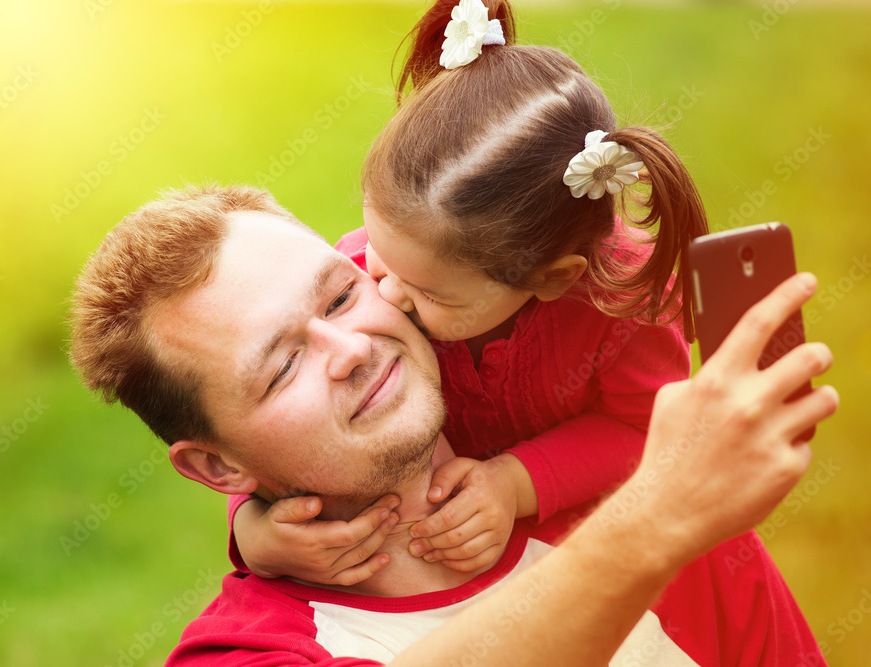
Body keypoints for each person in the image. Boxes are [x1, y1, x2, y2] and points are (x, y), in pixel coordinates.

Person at [68, 184, 838, 665]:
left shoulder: (645, 506)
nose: (352, 349)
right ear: (216, 468)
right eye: (281, 368)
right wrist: (655, 519)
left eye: (339, 298)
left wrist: (659, 510)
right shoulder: (248, 652)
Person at [231, 0, 710, 582]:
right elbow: (263, 408)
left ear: (551, 277)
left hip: (584, 561)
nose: (384, 288)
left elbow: (646, 429)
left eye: (431, 293)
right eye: (378, 247)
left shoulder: (626, 303)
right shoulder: (363, 278)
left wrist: (516, 483)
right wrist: (251, 530)